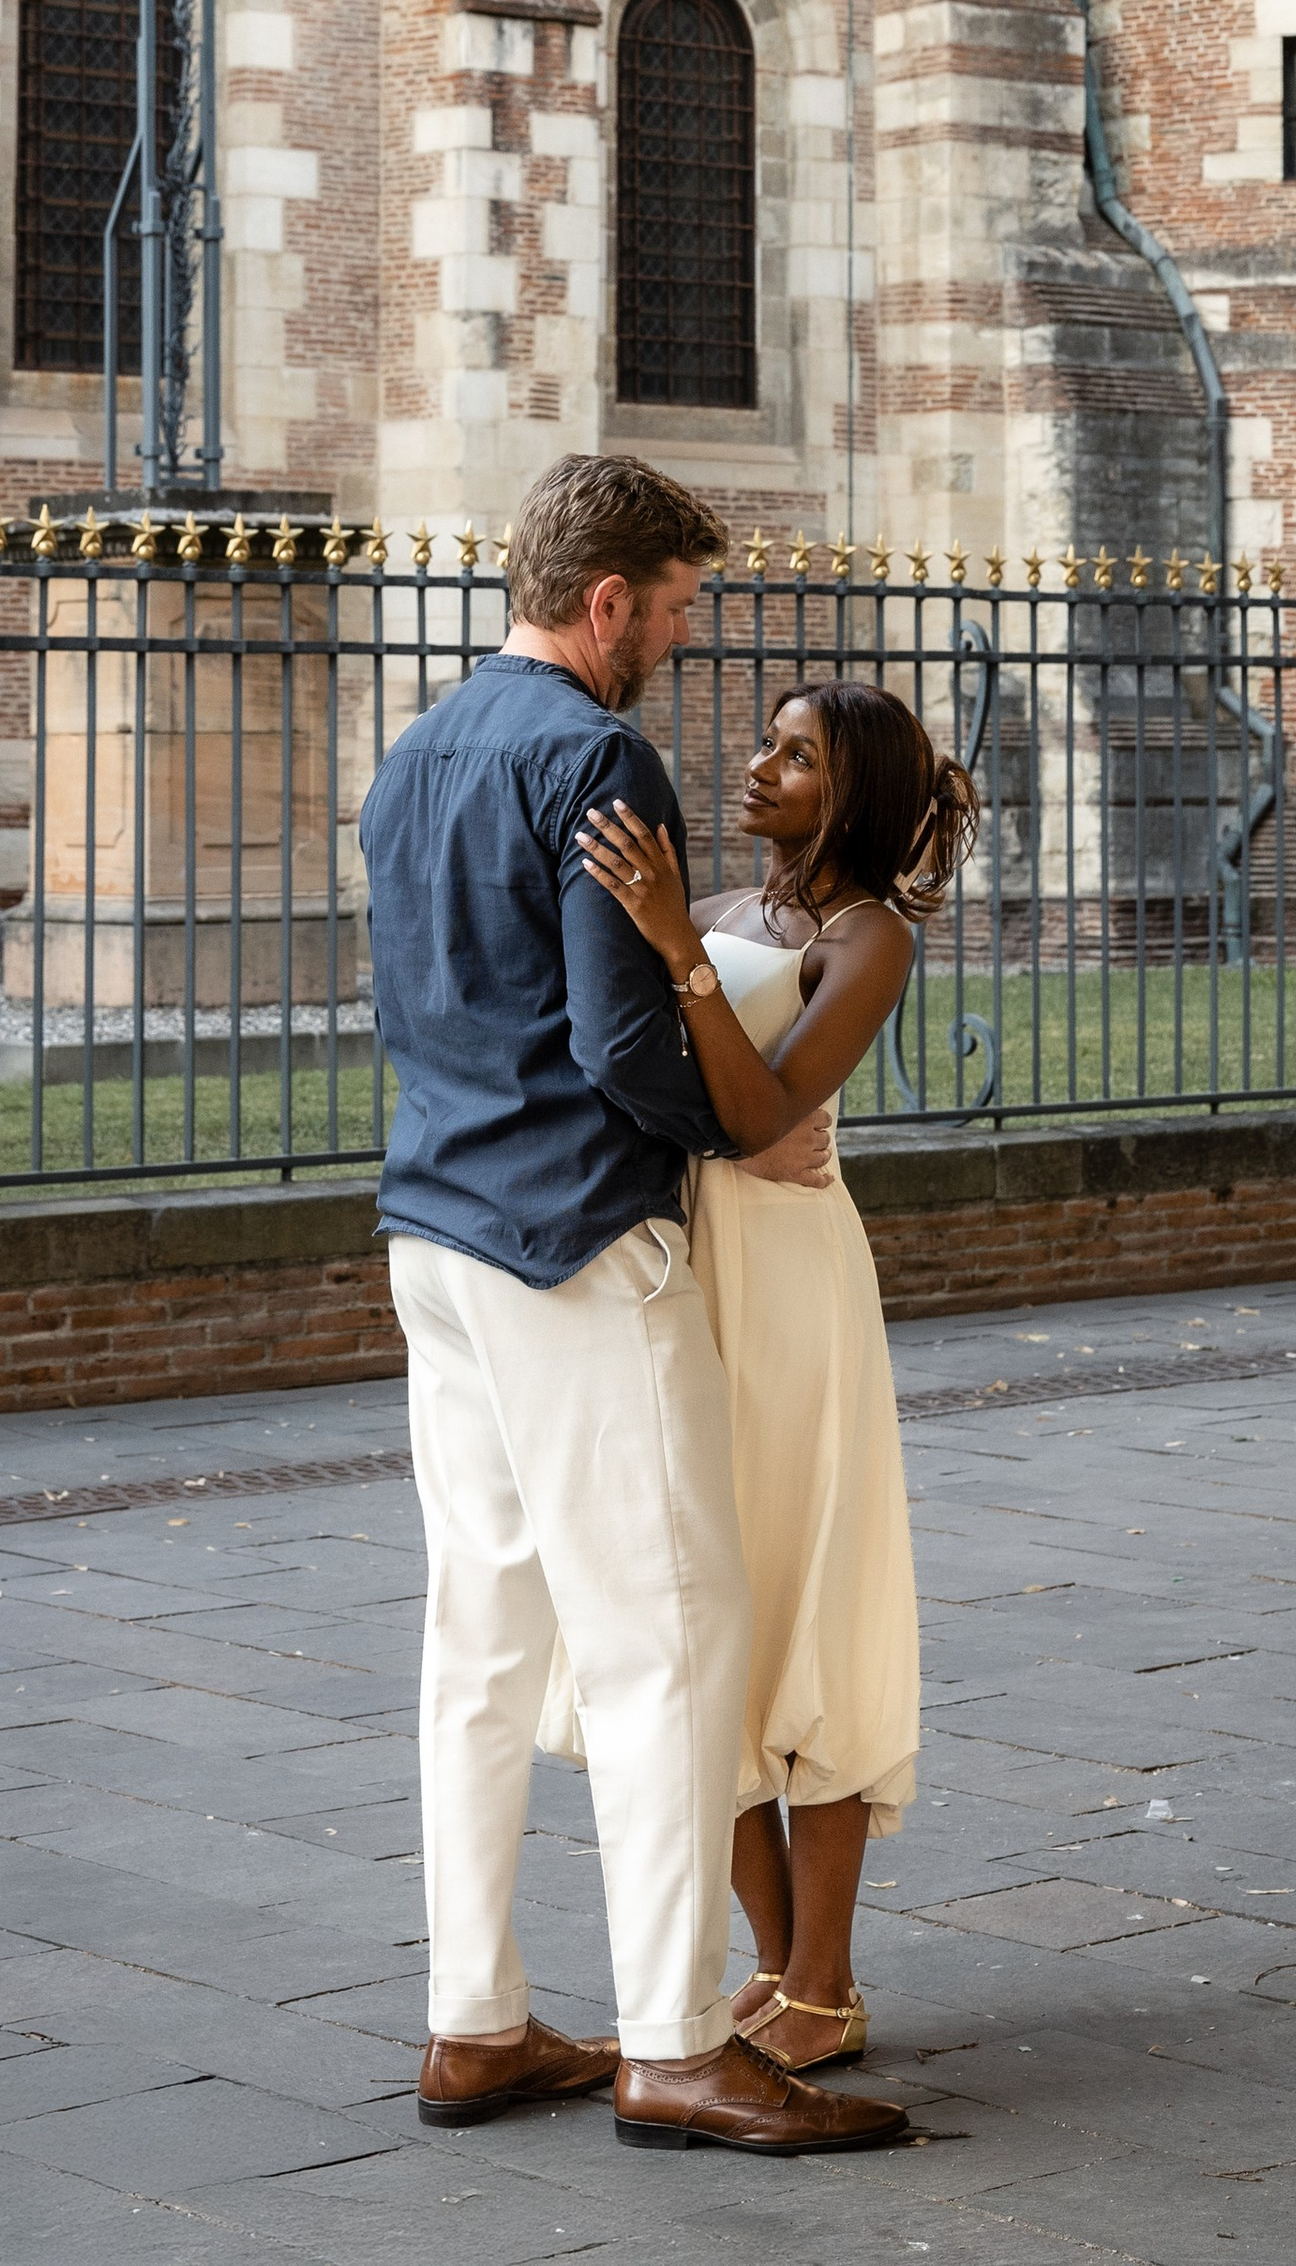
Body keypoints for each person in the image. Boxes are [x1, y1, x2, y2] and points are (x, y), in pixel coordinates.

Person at [356, 454, 909, 2160]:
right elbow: (622, 1048)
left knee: (482, 1648)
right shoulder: (598, 755)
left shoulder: (421, 743)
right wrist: (730, 1131)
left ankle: (476, 2023)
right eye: (671, 607)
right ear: (609, 605)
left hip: (433, 1232)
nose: (677, 636)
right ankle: (676, 2044)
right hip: (574, 1249)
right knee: (673, 1644)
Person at [571, 679, 978, 2072]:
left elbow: (756, 1117)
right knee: (712, 1618)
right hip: (694, 1272)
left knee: (809, 1601)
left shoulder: (869, 941)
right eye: (765, 744)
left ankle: (829, 1978)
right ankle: (775, 1968)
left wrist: (674, 945)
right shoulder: (739, 918)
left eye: (796, 757)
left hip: (796, 1291)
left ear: (849, 792)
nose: (757, 768)